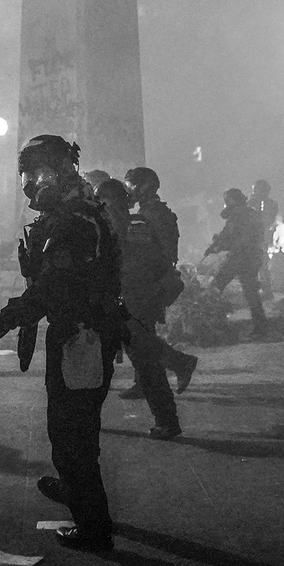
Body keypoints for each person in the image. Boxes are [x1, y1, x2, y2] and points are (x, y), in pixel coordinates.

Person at [0, 134, 126, 553]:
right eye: (27, 174)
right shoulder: (74, 214)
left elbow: (54, 289)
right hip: (80, 334)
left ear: (62, 171)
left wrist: (9, 317)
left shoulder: (73, 221)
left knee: (72, 439)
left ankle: (93, 528)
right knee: (71, 432)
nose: (31, 182)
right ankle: (79, 495)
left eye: (39, 172)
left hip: (80, 337)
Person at [117, 170, 197, 417]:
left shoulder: (153, 215)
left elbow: (160, 253)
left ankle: (179, 363)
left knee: (140, 336)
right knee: (141, 333)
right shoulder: (151, 213)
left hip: (149, 282)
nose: (128, 190)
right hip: (149, 281)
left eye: (131, 185)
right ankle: (145, 381)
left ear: (144, 187)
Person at [205, 188, 268, 338]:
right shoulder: (246, 214)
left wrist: (219, 246)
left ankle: (209, 322)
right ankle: (261, 326)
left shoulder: (240, 216)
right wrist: (217, 245)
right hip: (249, 257)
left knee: (216, 286)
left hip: (242, 257)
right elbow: (228, 235)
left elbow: (237, 239)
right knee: (250, 291)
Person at [247, 180, 278, 300]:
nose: (255, 192)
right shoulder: (251, 203)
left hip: (261, 239)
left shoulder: (271, 204)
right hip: (250, 239)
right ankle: (253, 291)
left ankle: (266, 291)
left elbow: (268, 220)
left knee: (262, 265)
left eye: (258, 189)